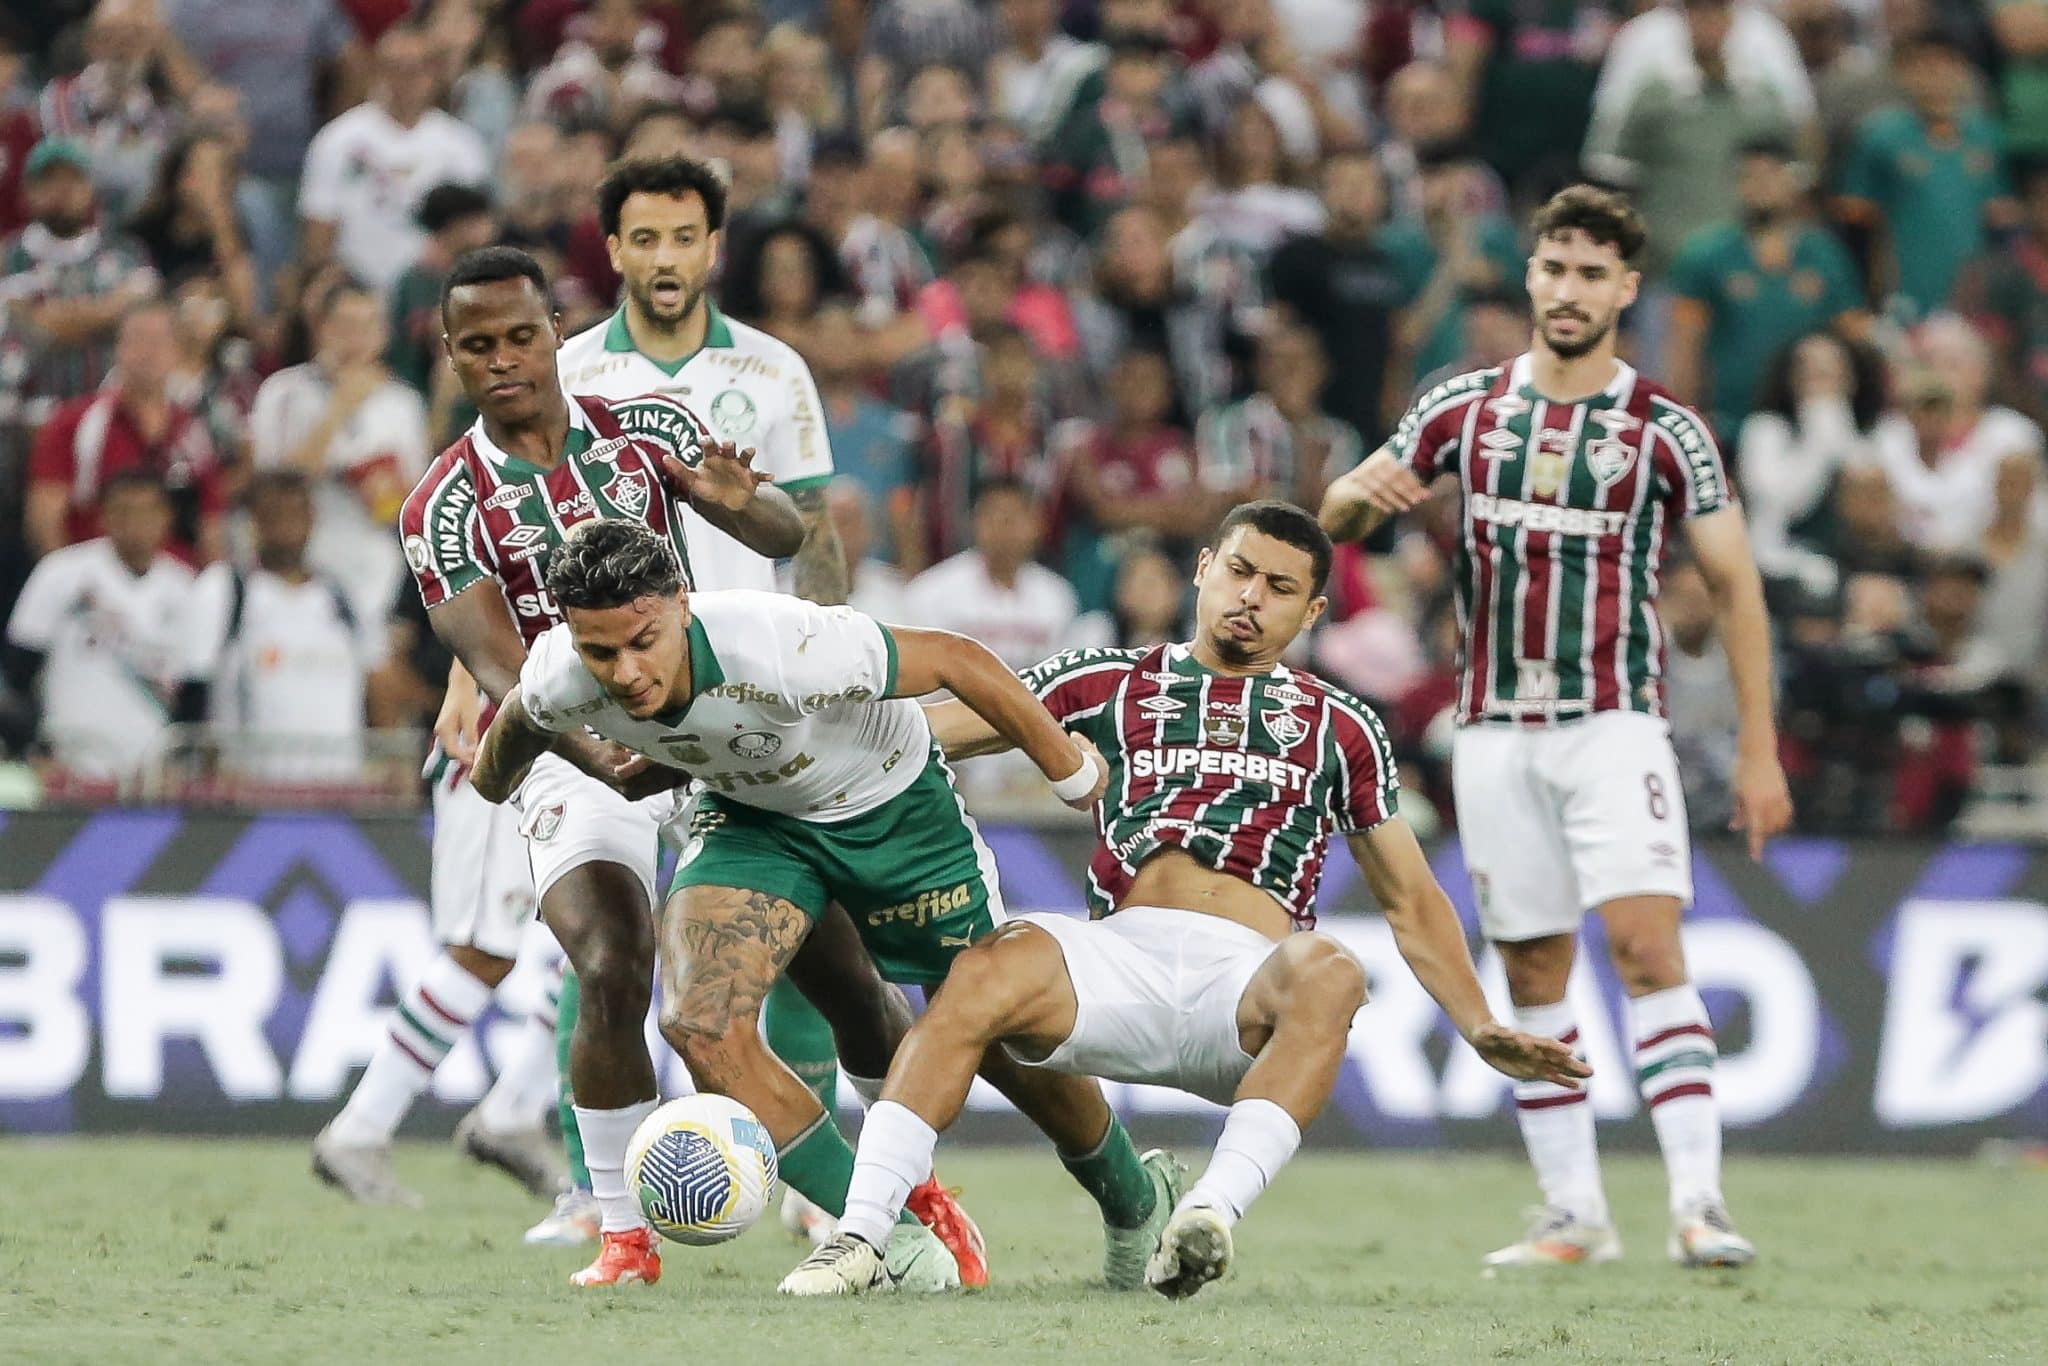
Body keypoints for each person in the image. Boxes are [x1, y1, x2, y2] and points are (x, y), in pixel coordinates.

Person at [778, 500, 1586, 1299]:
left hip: (1240, 989)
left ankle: (1206, 1215)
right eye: (1239, 571)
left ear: (1312, 612)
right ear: (1204, 570)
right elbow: (922, 734)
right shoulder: (1105, 680)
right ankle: (861, 1236)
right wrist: (781, 733)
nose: (1250, 597)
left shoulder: (1342, 725)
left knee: (1334, 970)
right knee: (983, 965)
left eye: (1279, 587)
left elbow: (1411, 898)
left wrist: (1477, 1022)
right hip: (1116, 962)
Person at [470, 516, 1181, 1294]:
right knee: (699, 1023)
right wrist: (491, 785)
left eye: (644, 642)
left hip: (890, 806)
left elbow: (957, 659)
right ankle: (888, 1236)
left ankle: (1133, 1195)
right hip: (754, 820)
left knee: (997, 1029)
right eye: (601, 653)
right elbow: (517, 723)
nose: (627, 672)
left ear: (681, 603)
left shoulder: (778, 641)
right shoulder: (559, 671)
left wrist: (1070, 769)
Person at [1319, 185, 1794, 1270]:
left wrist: (1760, 748)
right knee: (1532, 971)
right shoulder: (1463, 408)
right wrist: (1355, 496)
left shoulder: (1664, 428)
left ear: (1626, 289)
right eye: (1553, 268)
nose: (1568, 290)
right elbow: (1341, 515)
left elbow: (1736, 585)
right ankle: (1572, 1212)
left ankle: (1699, 1203)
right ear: (1531, 276)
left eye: (1591, 274)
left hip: (1612, 721)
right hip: (1492, 730)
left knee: (1644, 947)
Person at [372, 245, 803, 1288]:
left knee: (825, 949)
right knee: (611, 961)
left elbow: (781, 529)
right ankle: (619, 1228)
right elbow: (499, 666)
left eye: (521, 336)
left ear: (556, 332)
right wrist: (595, 752)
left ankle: (877, 1196)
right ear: (451, 355)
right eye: (478, 345)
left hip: (702, 720)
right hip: (566, 748)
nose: (504, 359)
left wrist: (744, 501)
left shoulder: (645, 428)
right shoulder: (441, 505)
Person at [550, 152, 854, 1248]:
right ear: (614, 250)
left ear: (714, 247)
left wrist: (832, 666)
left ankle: (814, 1186)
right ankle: (591, 1189)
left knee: (799, 933)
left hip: (749, 698)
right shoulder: (572, 370)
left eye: (685, 237)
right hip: (615, 693)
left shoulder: (771, 372)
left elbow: (811, 532)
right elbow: (524, 527)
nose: (666, 258)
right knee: (606, 942)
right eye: (645, 239)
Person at [178, 470, 383, 785]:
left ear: (312, 518)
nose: (285, 524)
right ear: (252, 522)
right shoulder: (224, 590)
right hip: (252, 791)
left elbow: (378, 687)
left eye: (295, 513)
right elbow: (194, 694)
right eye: (273, 514)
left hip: (338, 789)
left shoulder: (343, 598)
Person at [248, 281, 431, 628]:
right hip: (302, 562)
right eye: (346, 325)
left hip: (375, 565)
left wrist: (382, 490)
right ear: (321, 328)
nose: (357, 339)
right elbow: (271, 490)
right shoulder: (283, 391)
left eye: (369, 325)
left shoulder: (403, 403)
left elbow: (414, 507)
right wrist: (341, 406)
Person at [1665, 134, 1866, 438]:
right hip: (1729, 420)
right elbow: (1685, 347)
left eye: (1771, 175)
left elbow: (1854, 338)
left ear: (1793, 181)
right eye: (1750, 176)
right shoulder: (1707, 254)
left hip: (1805, 422)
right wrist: (1685, 420)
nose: (1761, 186)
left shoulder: (1825, 254)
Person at [3, 470, 194, 781]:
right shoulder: (61, 573)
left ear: (167, 517)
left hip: (152, 776)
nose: (135, 523)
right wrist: (31, 749)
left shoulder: (184, 587)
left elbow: (193, 691)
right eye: (123, 511)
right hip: (70, 766)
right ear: (104, 517)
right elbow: (18, 673)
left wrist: (181, 764)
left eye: (147, 511)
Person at [24, 298, 225, 563]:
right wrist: (68, 580)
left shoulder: (192, 432)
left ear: (178, 351)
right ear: (118, 349)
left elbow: (211, 523)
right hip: (95, 576)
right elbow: (45, 519)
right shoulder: (74, 423)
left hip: (176, 578)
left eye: (160, 341)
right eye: (138, 339)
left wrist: (213, 580)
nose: (148, 352)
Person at [296, 22, 489, 293]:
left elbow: (478, 230)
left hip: (437, 289)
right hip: (359, 291)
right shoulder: (337, 140)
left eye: (418, 68)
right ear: (378, 71)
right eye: (396, 68)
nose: (407, 79)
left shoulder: (462, 144)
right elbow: (319, 231)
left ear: (435, 72)